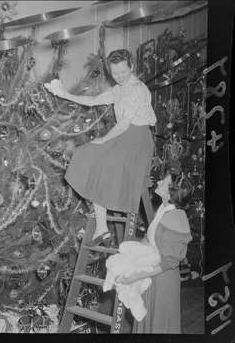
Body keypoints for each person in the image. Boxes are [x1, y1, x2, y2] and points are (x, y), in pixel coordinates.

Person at [45, 49, 157, 246]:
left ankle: (100, 226)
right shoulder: (119, 89)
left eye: (124, 72)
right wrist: (63, 93)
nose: (120, 77)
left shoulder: (137, 89)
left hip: (137, 138)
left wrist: (103, 139)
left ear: (131, 67)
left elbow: (124, 124)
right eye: (115, 73)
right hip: (124, 135)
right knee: (85, 153)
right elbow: (92, 100)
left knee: (104, 160)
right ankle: (102, 227)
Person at [116, 171, 193, 334]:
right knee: (147, 320)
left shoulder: (176, 218)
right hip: (150, 274)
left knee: (159, 323)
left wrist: (136, 277)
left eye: (162, 182)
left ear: (171, 192)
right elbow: (150, 239)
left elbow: (168, 262)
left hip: (162, 279)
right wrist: (129, 254)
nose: (158, 183)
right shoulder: (163, 209)